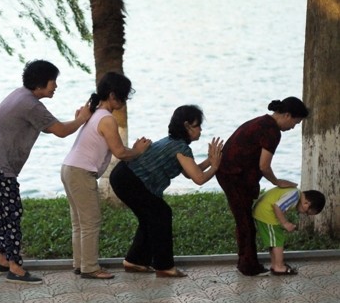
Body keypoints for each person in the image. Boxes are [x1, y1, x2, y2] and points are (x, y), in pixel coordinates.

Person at [0, 59, 92, 284]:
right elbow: (60, 131)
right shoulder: (31, 105)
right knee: (12, 213)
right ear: (41, 83)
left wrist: (76, 120)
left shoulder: (21, 95)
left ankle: (1, 259)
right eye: (52, 82)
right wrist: (82, 119)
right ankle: (15, 268)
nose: (55, 86)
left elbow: (49, 127)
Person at [109, 105, 223, 278]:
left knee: (151, 217)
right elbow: (199, 178)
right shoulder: (181, 148)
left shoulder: (174, 143)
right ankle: (164, 266)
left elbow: (189, 172)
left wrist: (209, 160)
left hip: (122, 176)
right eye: (198, 125)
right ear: (187, 126)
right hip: (130, 179)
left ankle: (135, 261)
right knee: (161, 214)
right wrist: (215, 165)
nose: (200, 130)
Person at [61, 72, 150, 280]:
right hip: (80, 172)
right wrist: (139, 150)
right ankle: (90, 267)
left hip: (69, 168)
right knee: (91, 221)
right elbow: (120, 152)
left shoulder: (94, 113)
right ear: (112, 95)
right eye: (123, 96)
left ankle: (80, 264)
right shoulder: (106, 119)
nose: (125, 101)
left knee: (80, 222)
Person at [216, 97, 309, 276]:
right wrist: (277, 182)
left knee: (244, 221)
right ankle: (248, 267)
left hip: (234, 174)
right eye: (295, 122)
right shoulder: (272, 131)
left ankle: (245, 262)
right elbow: (264, 166)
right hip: (233, 175)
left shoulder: (262, 122)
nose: (293, 127)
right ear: (287, 115)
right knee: (245, 223)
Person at [252, 187, 325, 275]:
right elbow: (277, 206)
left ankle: (276, 264)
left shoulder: (295, 193)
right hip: (266, 214)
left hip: (265, 213)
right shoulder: (295, 196)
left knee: (275, 241)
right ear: (306, 203)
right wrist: (285, 223)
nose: (304, 213)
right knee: (277, 241)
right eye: (306, 212)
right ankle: (278, 267)